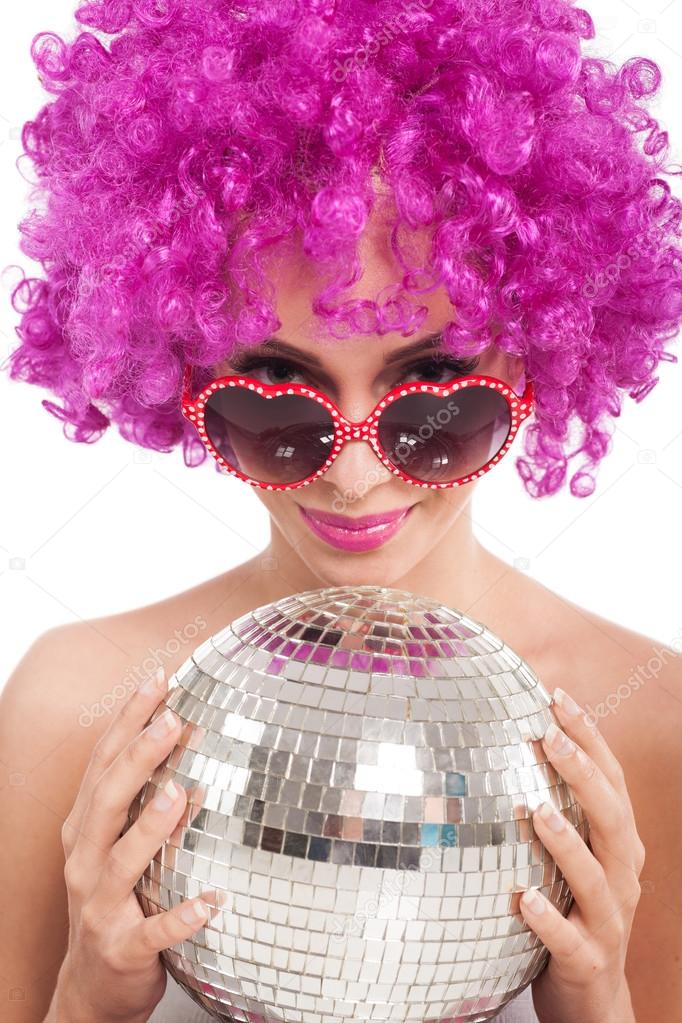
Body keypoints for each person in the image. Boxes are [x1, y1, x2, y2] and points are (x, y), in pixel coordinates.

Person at [1, 1, 681, 1021]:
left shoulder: (646, 727)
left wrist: (597, 1004)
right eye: (274, 400)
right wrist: (91, 997)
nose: (356, 478)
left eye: (433, 403)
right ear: (183, 370)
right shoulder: (78, 707)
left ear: (539, 357)